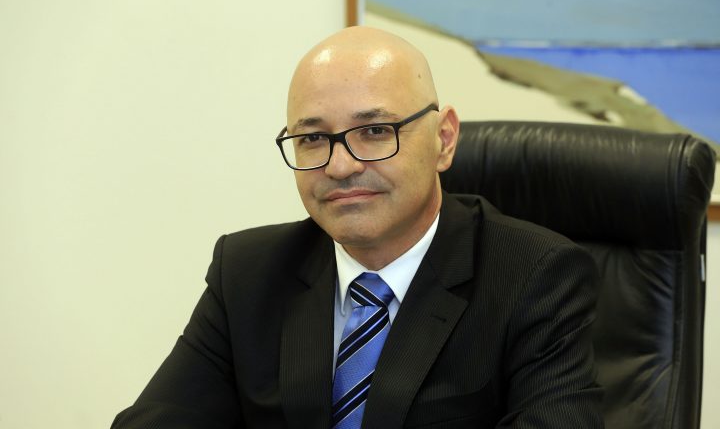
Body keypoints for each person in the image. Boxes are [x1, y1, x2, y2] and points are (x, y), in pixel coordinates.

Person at [112, 26, 603, 428]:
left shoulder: (535, 277)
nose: (341, 166)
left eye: (374, 131)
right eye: (312, 139)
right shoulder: (246, 273)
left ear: (444, 139)